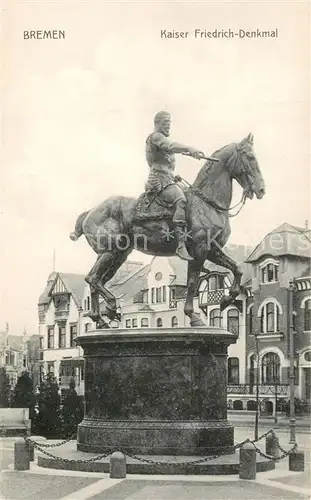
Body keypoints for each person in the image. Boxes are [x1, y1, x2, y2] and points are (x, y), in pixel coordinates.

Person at [145, 111, 205, 261]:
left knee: (191, 196)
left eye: (169, 122)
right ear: (157, 123)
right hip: (158, 180)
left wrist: (173, 176)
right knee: (181, 200)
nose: (168, 125)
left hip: (168, 178)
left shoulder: (161, 140)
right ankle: (180, 245)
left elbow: (167, 162)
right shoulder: (156, 137)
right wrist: (189, 149)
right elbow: (170, 146)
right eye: (166, 122)